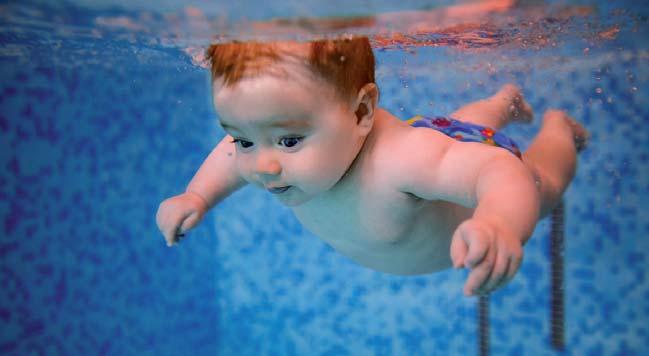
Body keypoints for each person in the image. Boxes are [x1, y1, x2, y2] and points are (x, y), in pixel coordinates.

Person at [156, 37, 587, 296]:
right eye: (244, 138)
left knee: (542, 183)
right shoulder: (275, 153)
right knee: (459, 130)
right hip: (440, 139)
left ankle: (559, 130)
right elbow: (229, 156)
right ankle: (499, 103)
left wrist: (499, 222)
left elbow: (497, 172)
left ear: (361, 112)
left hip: (465, 169)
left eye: (288, 140)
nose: (261, 165)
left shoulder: (398, 161)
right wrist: (197, 195)